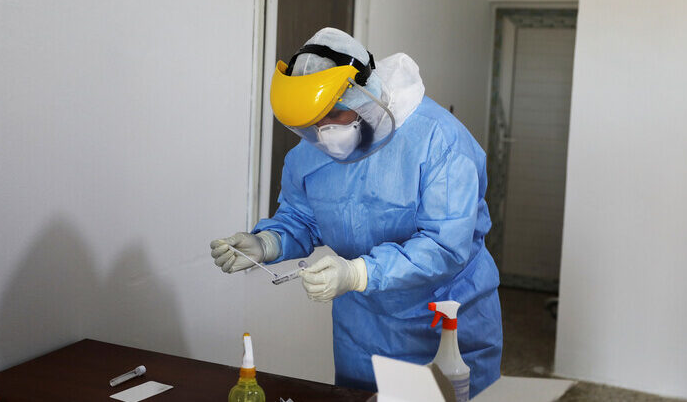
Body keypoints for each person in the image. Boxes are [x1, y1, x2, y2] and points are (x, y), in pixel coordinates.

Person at [210, 28, 502, 398]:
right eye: (313, 121)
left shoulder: (439, 142)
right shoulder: (310, 152)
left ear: (363, 95)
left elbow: (444, 246)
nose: (323, 131)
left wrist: (358, 272)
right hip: (362, 331)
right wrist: (267, 242)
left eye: (333, 114)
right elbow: (303, 218)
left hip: (444, 322)